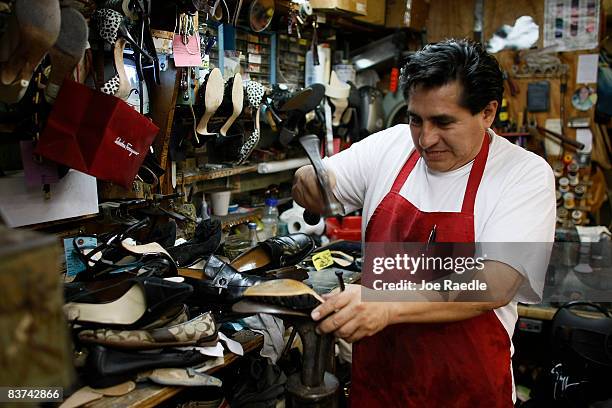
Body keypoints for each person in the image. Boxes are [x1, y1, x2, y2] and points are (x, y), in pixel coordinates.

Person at [292, 39, 556, 407]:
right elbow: (322, 180)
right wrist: (310, 182)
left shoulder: (523, 174)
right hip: (381, 386)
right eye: (416, 119)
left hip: (467, 391)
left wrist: (384, 304)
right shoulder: (391, 145)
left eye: (444, 122)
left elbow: (496, 282)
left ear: (488, 112)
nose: (426, 139)